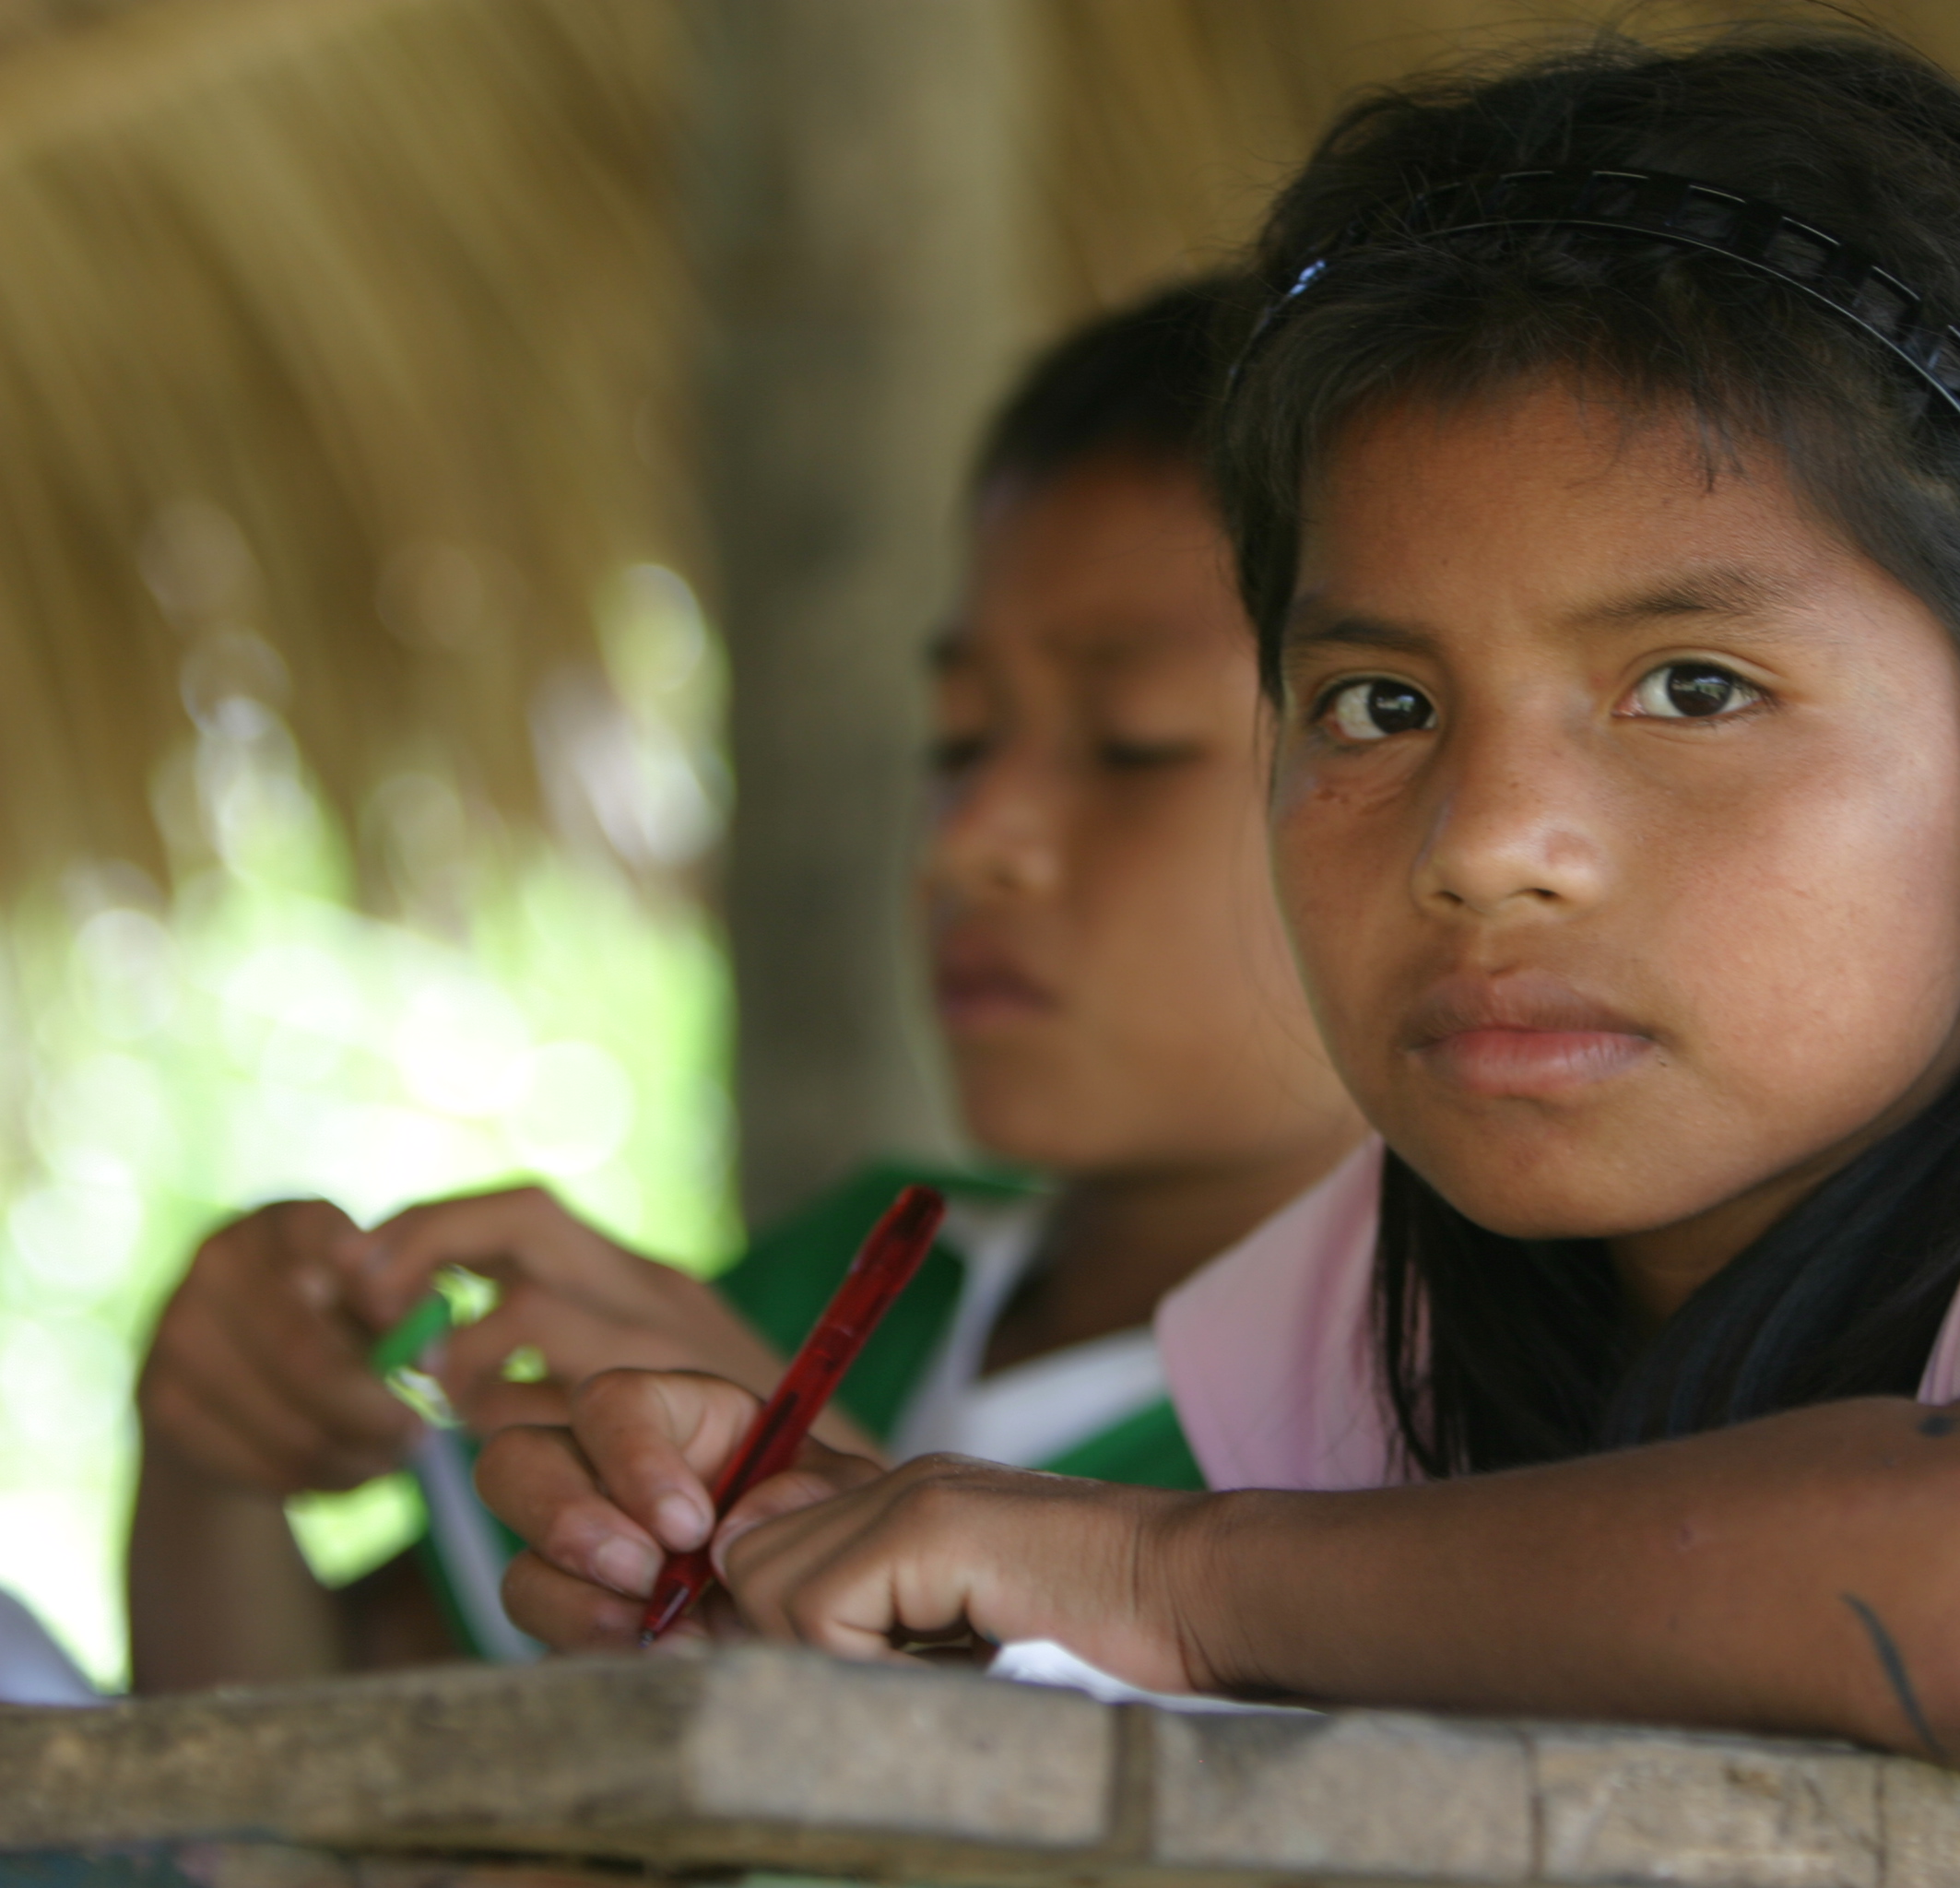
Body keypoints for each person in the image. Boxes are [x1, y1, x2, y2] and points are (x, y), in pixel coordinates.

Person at [478, 32, 1960, 1888]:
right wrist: (869, 1589)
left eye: (1691, 688)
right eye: (1378, 709)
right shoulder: (1364, 1316)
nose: (1487, 847)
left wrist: (1147, 1577)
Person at [126, 277, 1366, 1690]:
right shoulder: (864, 1267)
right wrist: (214, 1455)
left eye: (1134, 745)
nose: (971, 841)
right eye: (959, 740)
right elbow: (299, 1749)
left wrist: (837, 1496)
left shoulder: (1443, 1406)